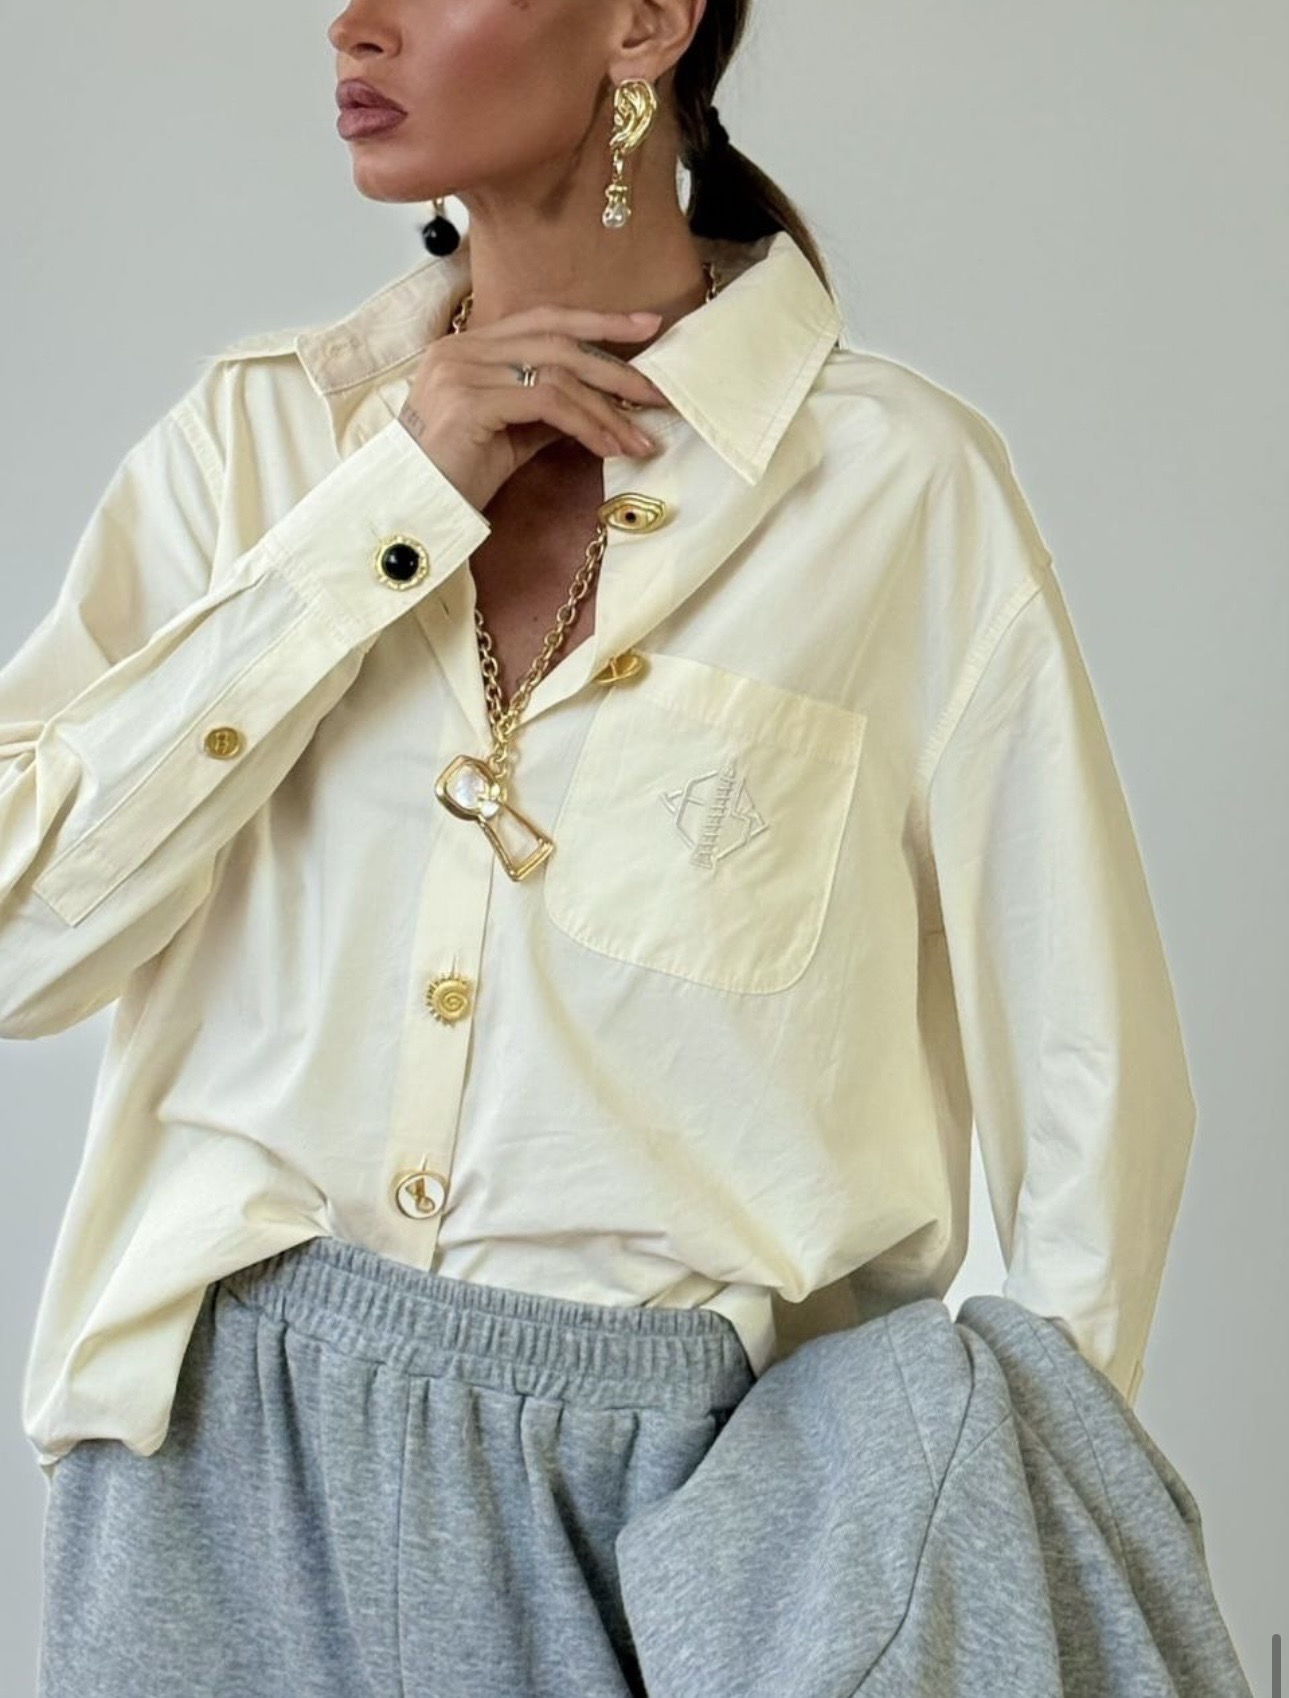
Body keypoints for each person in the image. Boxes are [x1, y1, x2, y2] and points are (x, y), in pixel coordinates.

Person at [3, 1, 1196, 1693]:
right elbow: (23, 938)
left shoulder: (895, 489)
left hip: (708, 1511)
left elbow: (1089, 1065)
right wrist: (378, 517)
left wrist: (997, 1507)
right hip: (220, 1461)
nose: (354, 23)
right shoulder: (255, 449)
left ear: (642, 22)